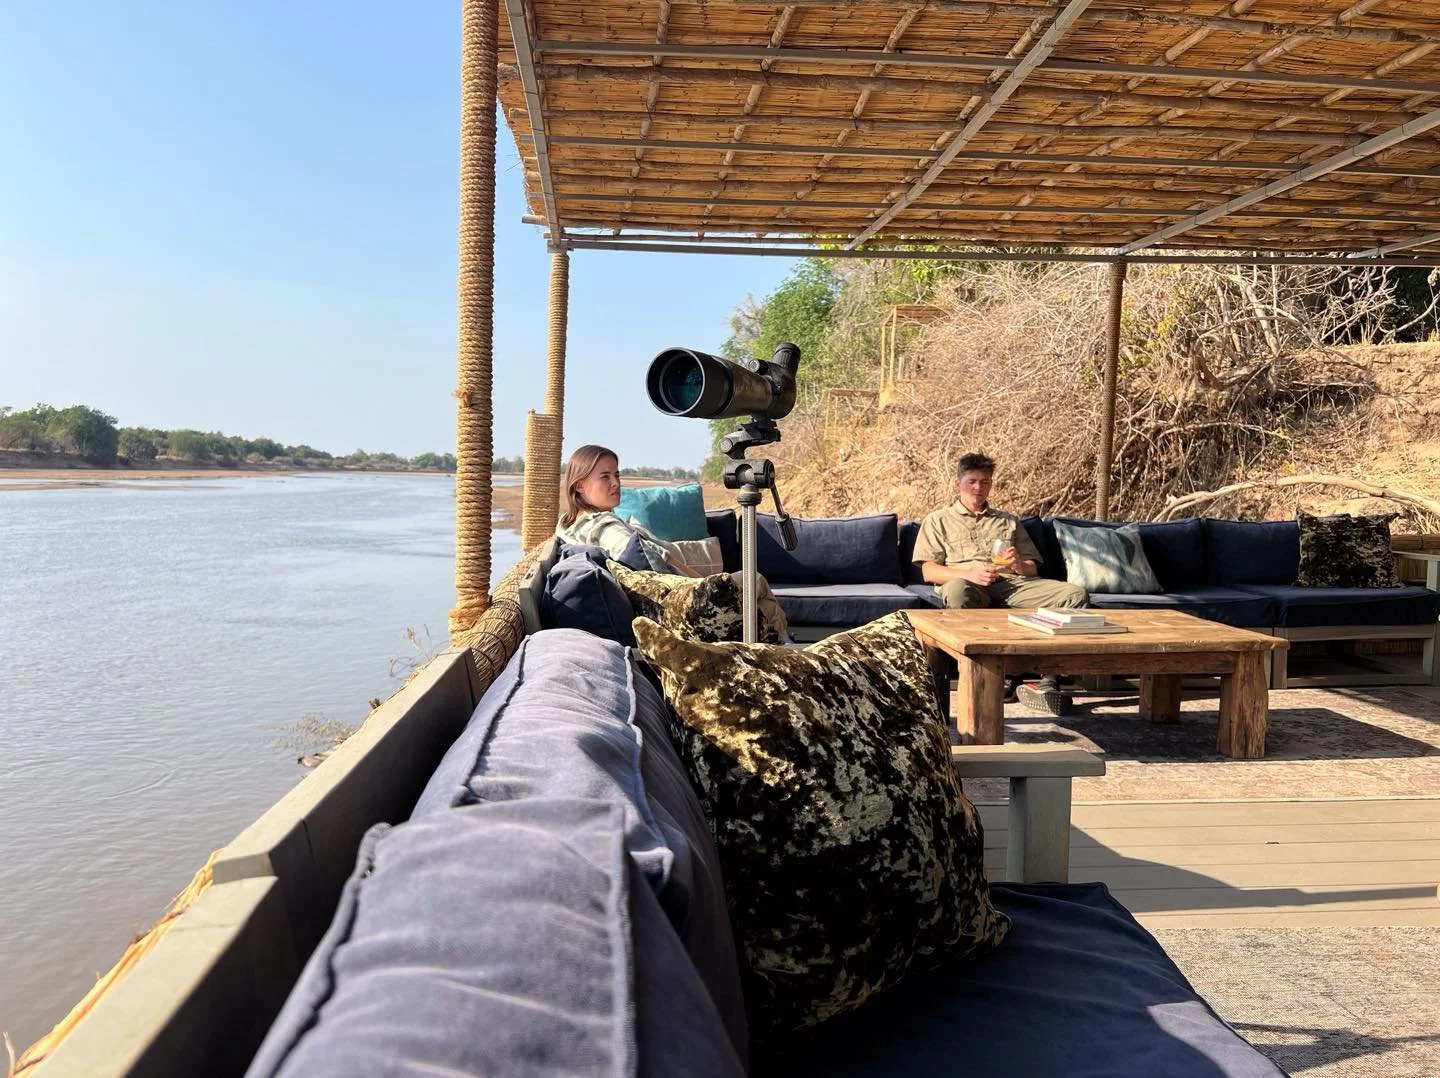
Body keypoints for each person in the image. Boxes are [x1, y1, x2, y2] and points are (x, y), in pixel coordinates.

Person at [556, 444, 792, 641]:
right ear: (579, 485)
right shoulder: (605, 527)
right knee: (755, 579)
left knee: (765, 608)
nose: (616, 483)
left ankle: (779, 642)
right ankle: (783, 644)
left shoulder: (569, 526)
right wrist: (701, 584)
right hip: (682, 605)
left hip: (668, 603)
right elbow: (649, 559)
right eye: (605, 477)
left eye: (616, 475)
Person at [912, 452, 1088, 715]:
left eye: (985, 482)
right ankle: (980, 673)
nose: (978, 488)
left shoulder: (1007, 521)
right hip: (967, 583)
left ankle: (1047, 679)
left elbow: (1031, 568)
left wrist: (1018, 564)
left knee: (1074, 594)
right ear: (957, 483)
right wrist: (968, 573)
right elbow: (929, 571)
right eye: (972, 481)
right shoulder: (938, 520)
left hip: (1011, 583)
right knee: (959, 592)